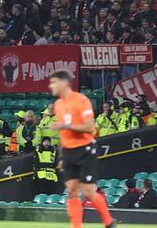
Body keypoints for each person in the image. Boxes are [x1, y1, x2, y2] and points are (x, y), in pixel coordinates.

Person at [48, 70, 116, 228]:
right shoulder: (58, 105)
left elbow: (89, 126)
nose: (51, 86)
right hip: (68, 152)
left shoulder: (81, 100)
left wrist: (65, 125)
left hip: (85, 149)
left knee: (88, 191)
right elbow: (62, 134)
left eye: (54, 82)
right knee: (71, 190)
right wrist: (61, 157)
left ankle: (108, 221)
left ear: (64, 84)